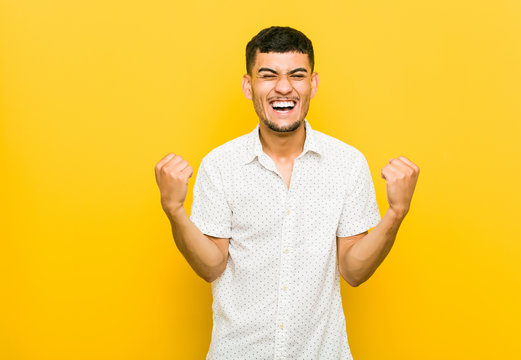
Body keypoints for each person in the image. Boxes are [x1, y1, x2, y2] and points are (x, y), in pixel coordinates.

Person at [154, 26, 419, 360]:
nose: (283, 87)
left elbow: (353, 271)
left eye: (297, 75)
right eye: (268, 75)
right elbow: (211, 265)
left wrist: (396, 212)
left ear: (313, 84)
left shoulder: (347, 163)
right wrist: (174, 209)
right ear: (248, 86)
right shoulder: (219, 165)